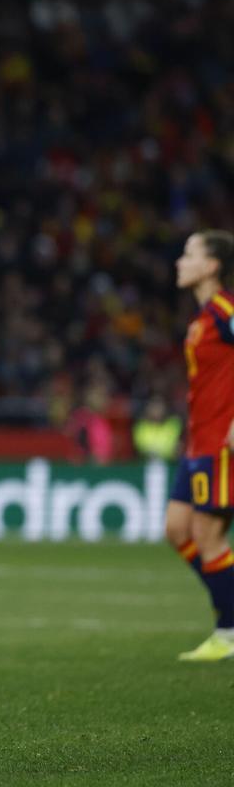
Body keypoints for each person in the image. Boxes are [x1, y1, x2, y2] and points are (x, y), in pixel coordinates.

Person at [164, 230, 234, 662]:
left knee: (208, 535)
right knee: (177, 530)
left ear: (211, 266)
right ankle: (228, 605)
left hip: (221, 445)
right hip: (198, 443)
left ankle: (229, 630)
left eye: (188, 254)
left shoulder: (226, 310)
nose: (179, 261)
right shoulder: (203, 317)